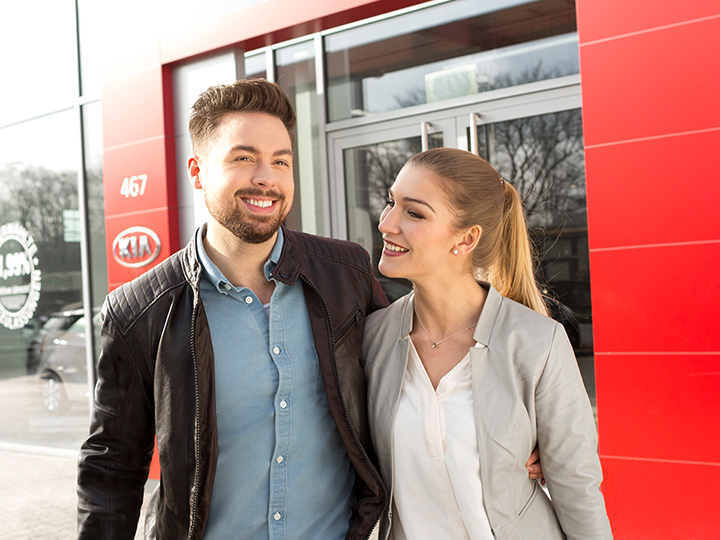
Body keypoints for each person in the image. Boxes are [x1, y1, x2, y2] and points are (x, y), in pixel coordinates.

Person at [76, 79, 389, 539]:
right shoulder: (139, 313)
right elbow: (112, 468)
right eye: (243, 158)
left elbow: (413, 369)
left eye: (281, 161)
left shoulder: (347, 274)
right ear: (198, 171)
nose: (266, 177)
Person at [362, 148, 613, 539]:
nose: (387, 223)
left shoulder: (537, 342)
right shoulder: (371, 339)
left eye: (414, 212)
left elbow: (577, 491)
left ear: (466, 238)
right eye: (391, 202)